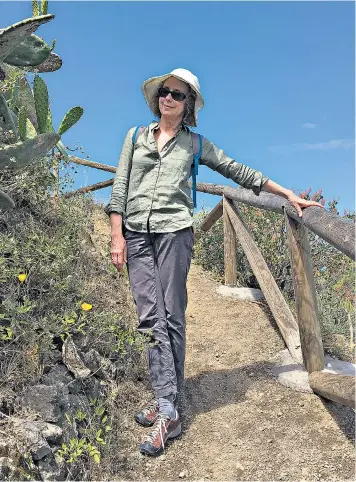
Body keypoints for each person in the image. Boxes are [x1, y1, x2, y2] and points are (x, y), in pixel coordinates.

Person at [105, 68, 323, 457]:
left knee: (170, 315)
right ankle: (167, 399)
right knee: (147, 317)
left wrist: (286, 192)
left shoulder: (195, 144)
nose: (169, 98)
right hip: (137, 234)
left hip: (175, 233)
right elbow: (120, 186)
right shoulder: (135, 137)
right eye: (165, 93)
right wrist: (116, 235)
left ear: (188, 106)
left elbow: (237, 170)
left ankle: (168, 407)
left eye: (178, 95)